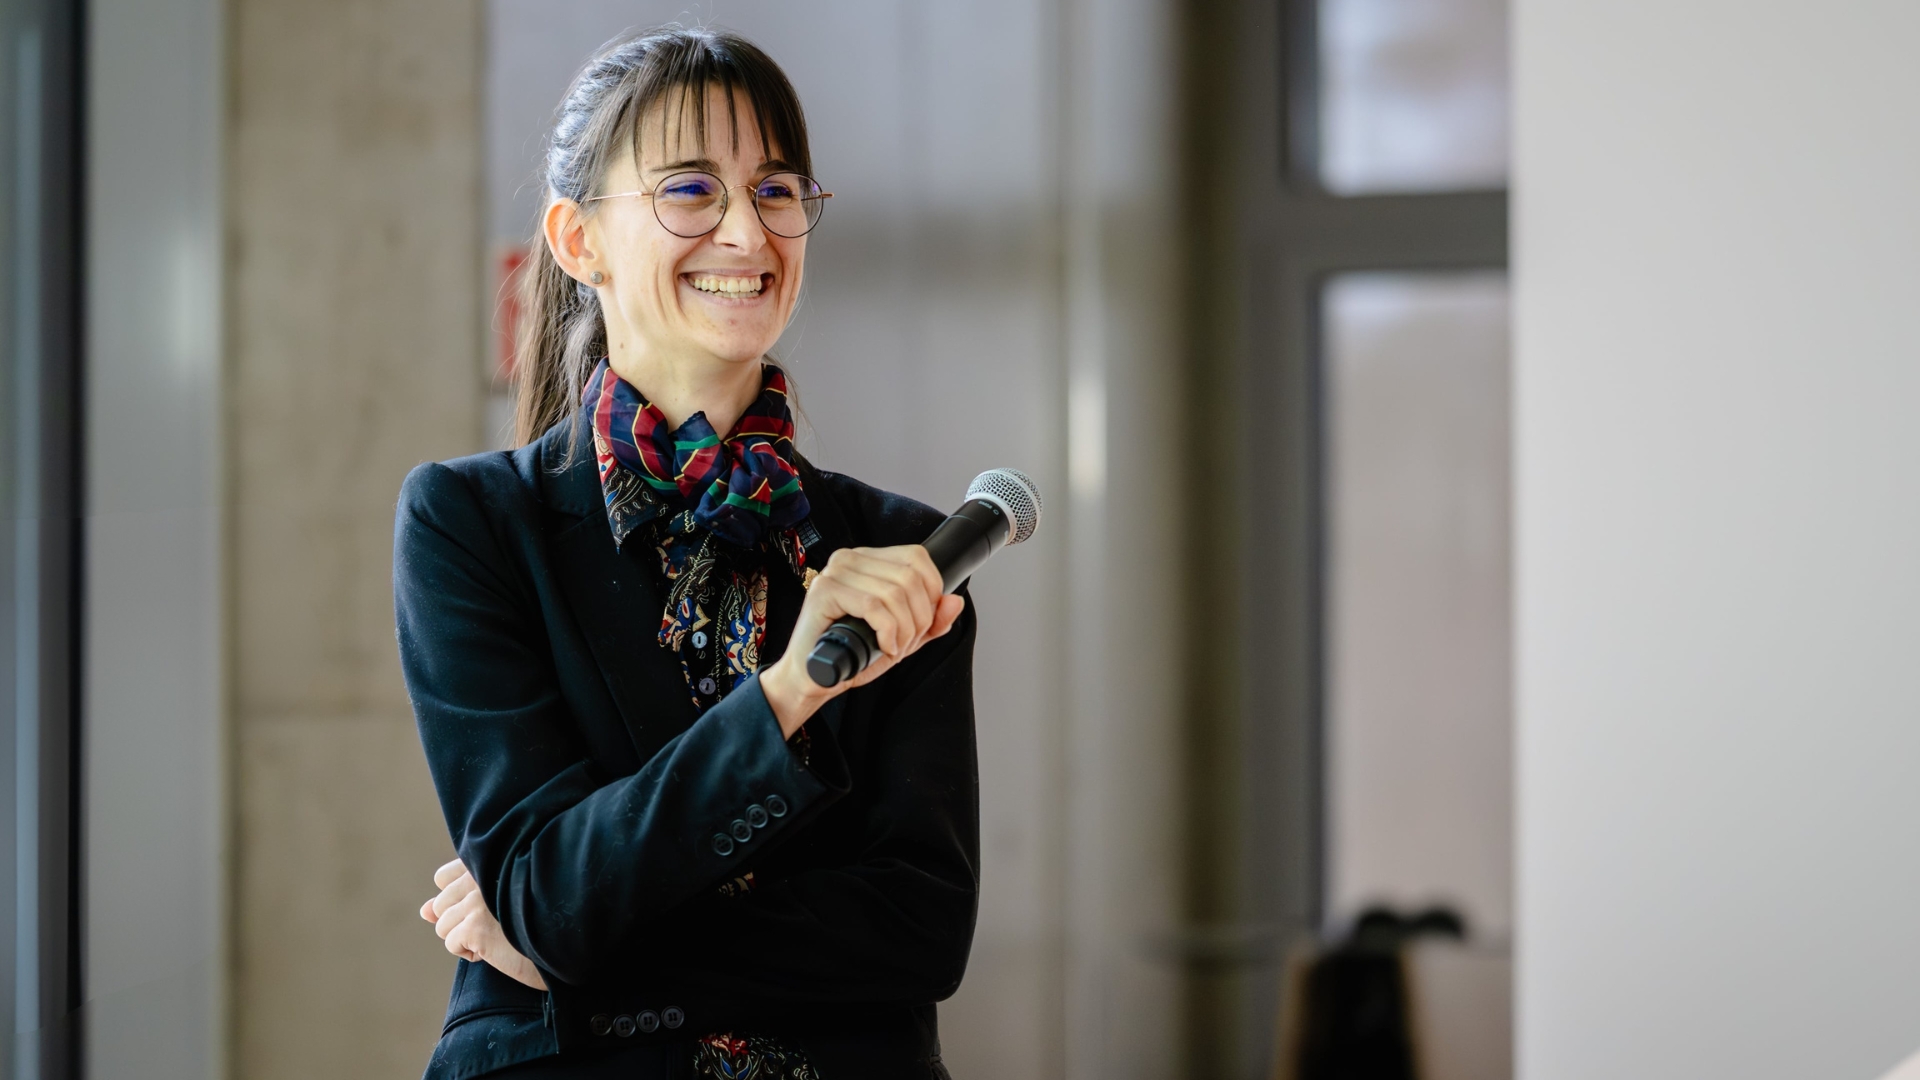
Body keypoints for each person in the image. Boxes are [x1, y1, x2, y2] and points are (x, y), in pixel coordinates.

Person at [395, 27, 978, 1080]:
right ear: (579, 241)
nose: (748, 231)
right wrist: (791, 693)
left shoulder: (902, 555)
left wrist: (565, 946)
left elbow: (919, 932)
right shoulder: (471, 524)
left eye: (778, 190)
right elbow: (549, 890)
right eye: (691, 190)